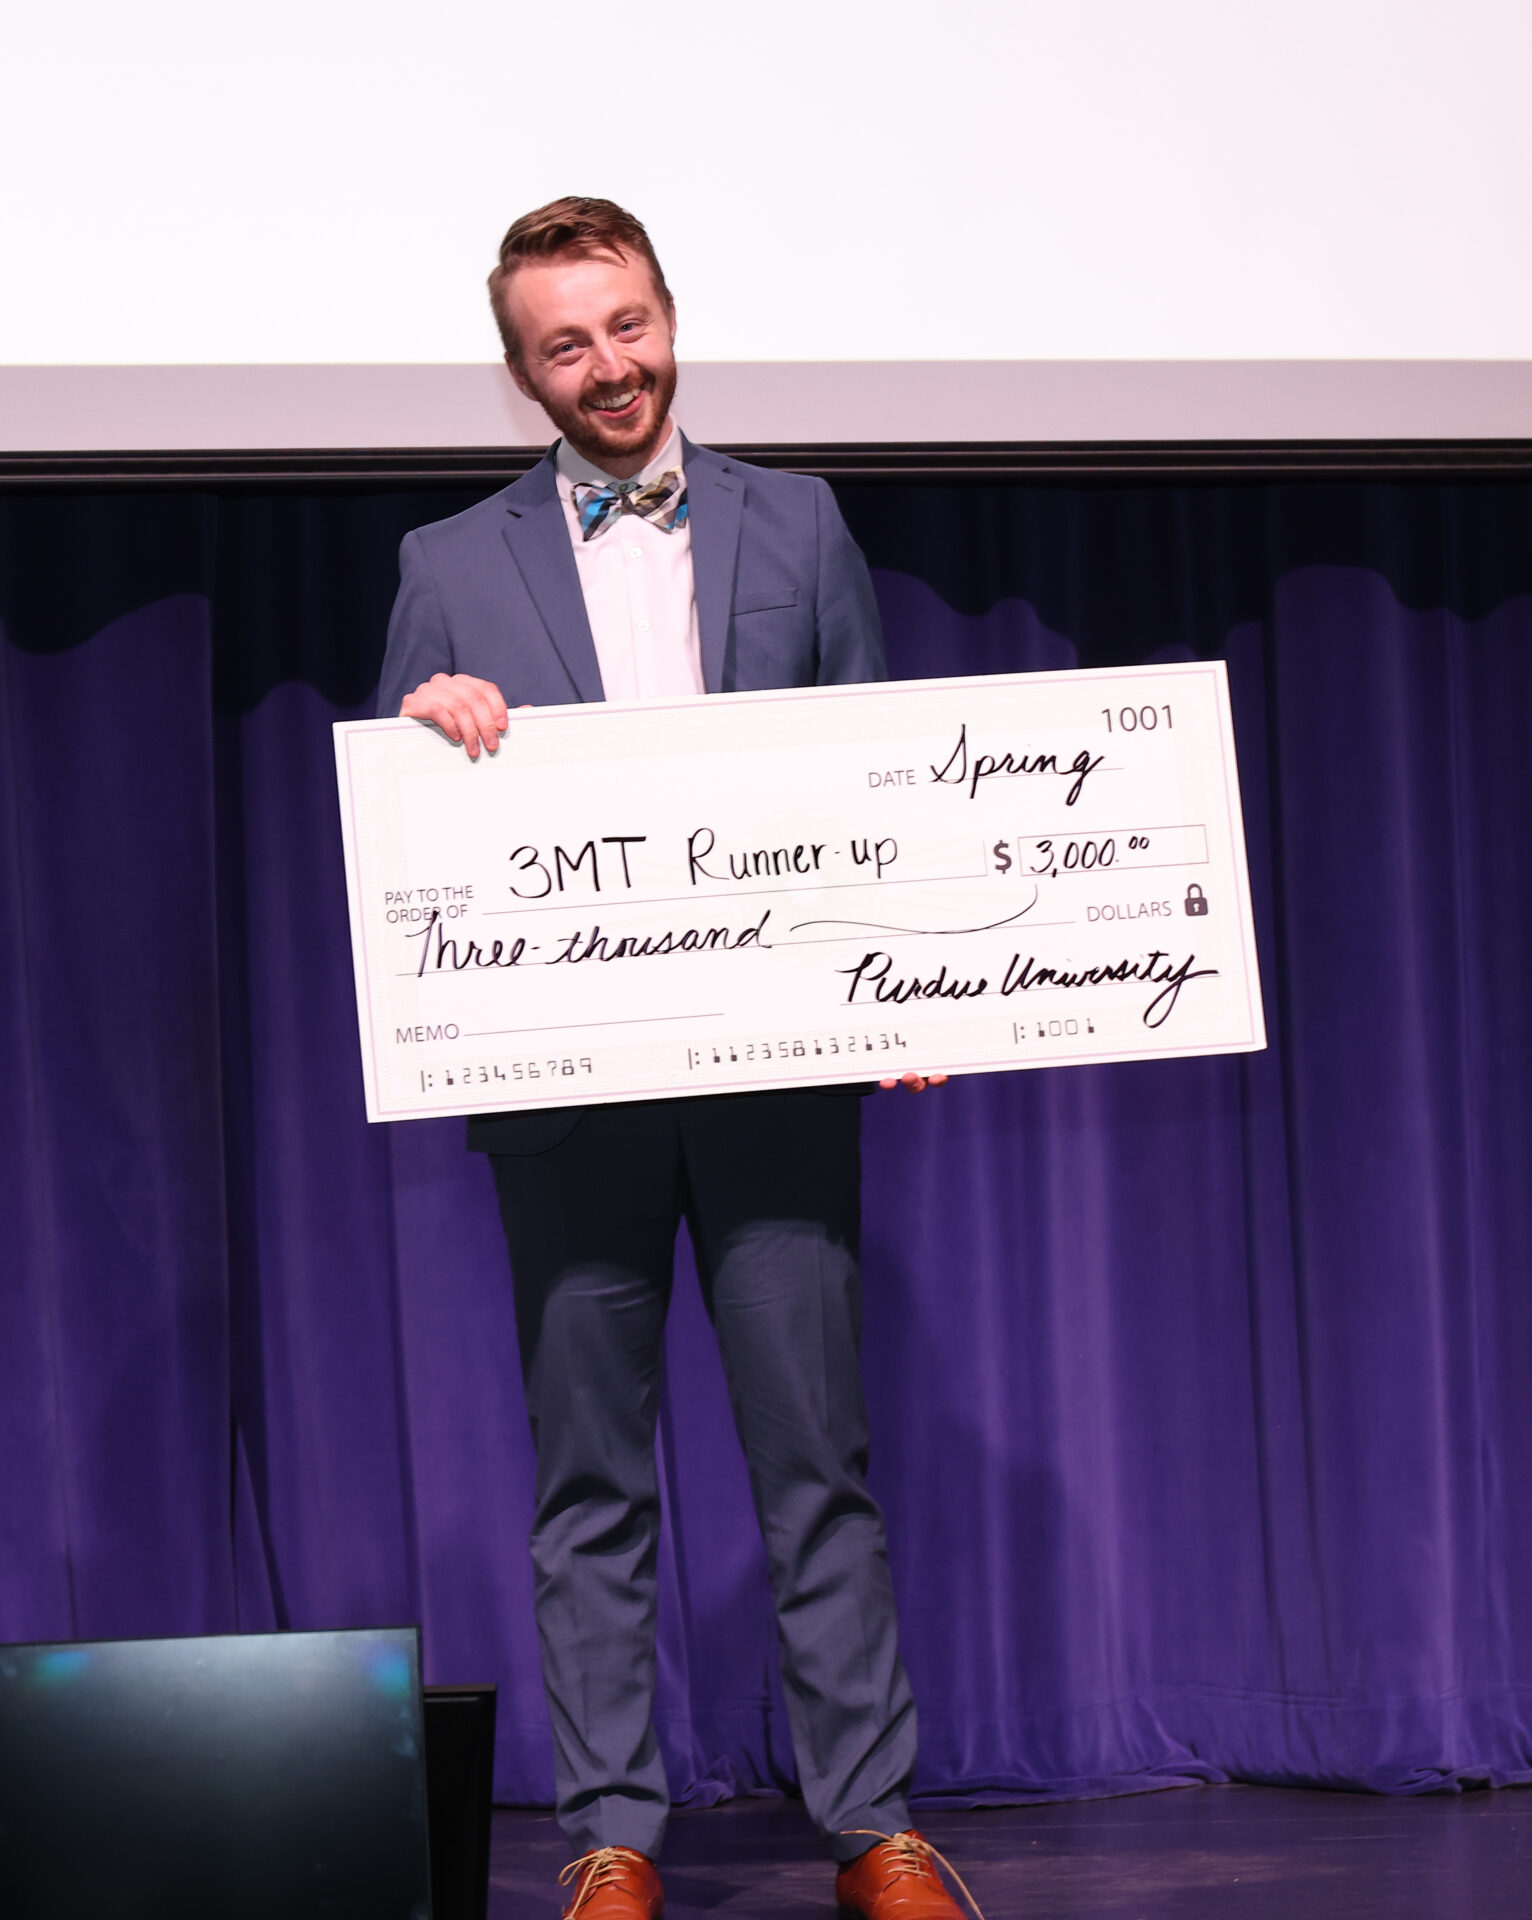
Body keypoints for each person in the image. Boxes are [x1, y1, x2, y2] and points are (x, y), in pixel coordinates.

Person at [377, 198, 966, 1920]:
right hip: (571, 1105)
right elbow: (406, 842)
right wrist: (422, 737)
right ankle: (611, 1837)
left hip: (776, 1085)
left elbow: (875, 776)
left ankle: (876, 1829)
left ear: (670, 318)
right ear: (523, 374)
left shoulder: (803, 521)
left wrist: (912, 989)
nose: (609, 366)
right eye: (566, 344)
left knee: (818, 1473)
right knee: (591, 1487)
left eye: (626, 325)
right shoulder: (447, 564)